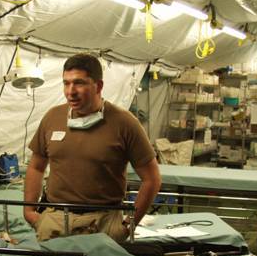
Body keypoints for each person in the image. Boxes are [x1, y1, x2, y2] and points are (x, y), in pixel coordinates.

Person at [24, 53, 161, 242]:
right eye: (66, 83)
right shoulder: (53, 118)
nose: (71, 91)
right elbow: (36, 167)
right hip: (55, 220)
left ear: (99, 86)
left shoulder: (124, 123)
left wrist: (129, 224)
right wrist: (29, 211)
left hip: (103, 222)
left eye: (79, 83)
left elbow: (152, 179)